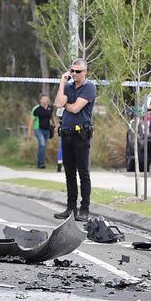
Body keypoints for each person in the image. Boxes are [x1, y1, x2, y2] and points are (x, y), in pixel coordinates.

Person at [53, 58, 96, 221]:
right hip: (66, 133)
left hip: (81, 134)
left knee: (83, 173)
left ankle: (84, 209)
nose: (74, 74)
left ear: (85, 72)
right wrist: (62, 83)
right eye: (72, 71)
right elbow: (58, 103)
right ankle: (71, 208)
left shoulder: (89, 87)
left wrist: (67, 105)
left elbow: (76, 108)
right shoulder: (69, 86)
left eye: (78, 71)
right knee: (69, 173)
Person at [30, 93, 54, 169]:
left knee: (43, 146)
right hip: (38, 129)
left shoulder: (50, 108)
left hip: (46, 129)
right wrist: (29, 132)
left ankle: (39, 163)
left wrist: (55, 125)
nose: (46, 100)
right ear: (40, 100)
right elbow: (31, 121)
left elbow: (52, 117)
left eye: (47, 99)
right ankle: (41, 164)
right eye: (44, 99)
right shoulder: (36, 109)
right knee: (42, 144)